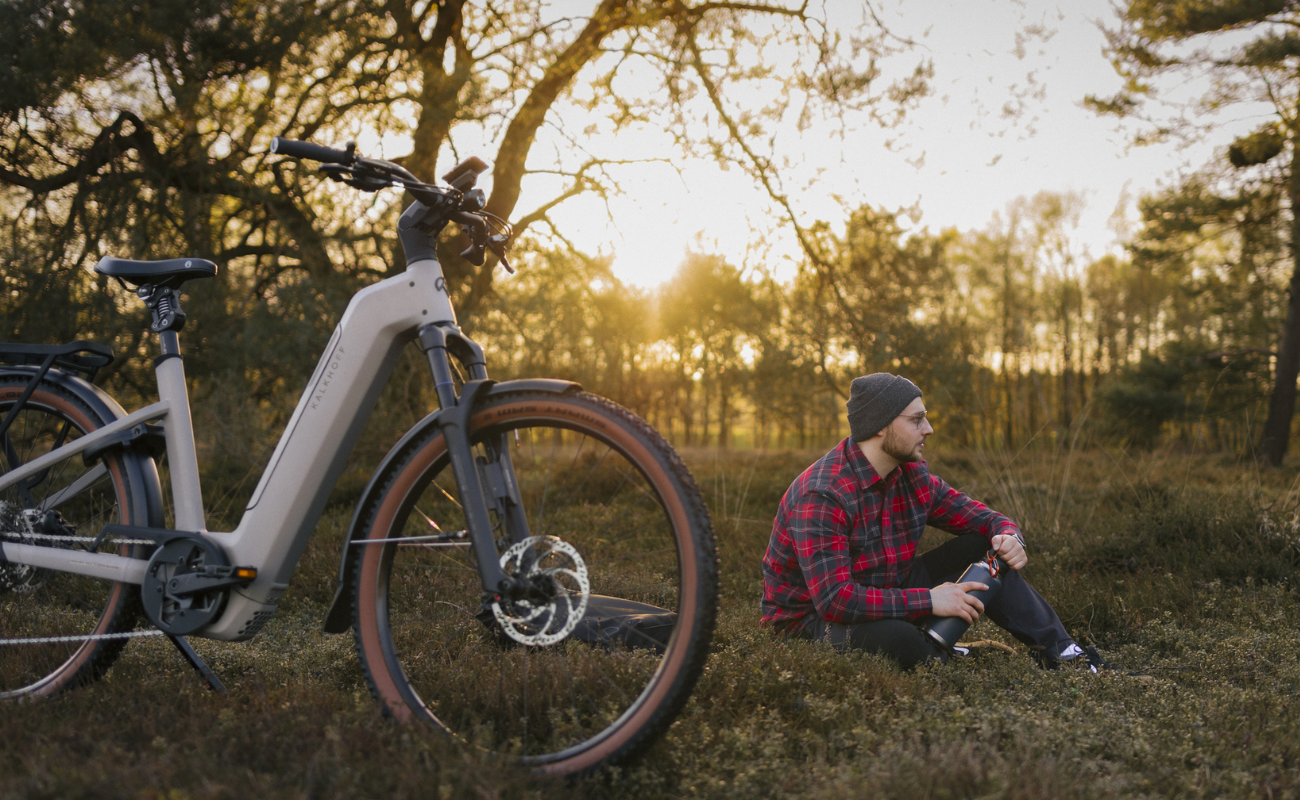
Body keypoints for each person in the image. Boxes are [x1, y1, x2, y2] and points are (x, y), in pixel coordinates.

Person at [760, 372, 1106, 670]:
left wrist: (1008, 535)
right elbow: (836, 599)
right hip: (811, 624)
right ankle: (946, 654)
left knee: (983, 549)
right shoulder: (823, 494)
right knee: (901, 640)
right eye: (916, 420)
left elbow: (983, 519)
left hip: (887, 589)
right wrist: (929, 600)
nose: (929, 429)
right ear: (880, 426)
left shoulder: (913, 475)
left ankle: (1067, 657)